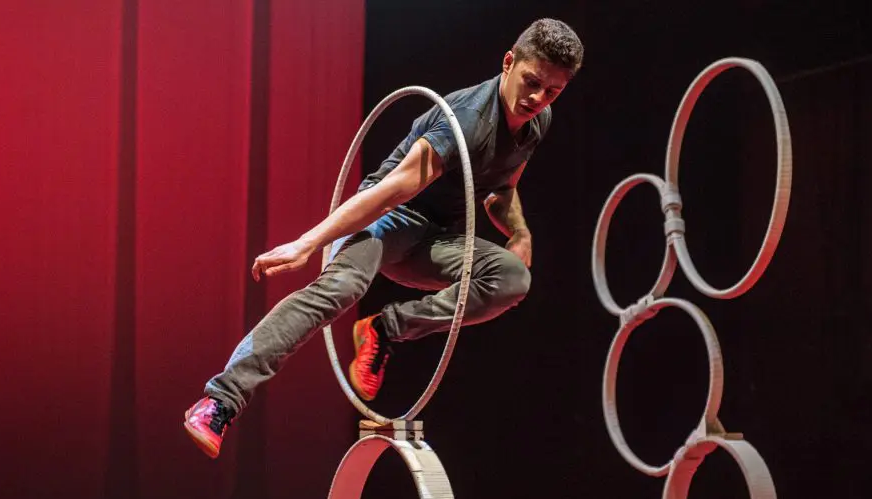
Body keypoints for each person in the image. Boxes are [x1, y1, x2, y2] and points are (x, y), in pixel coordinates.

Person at [184, 18, 584, 458]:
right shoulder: (467, 119)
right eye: (532, 82)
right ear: (509, 63)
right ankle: (220, 400)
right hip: (386, 219)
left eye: (552, 91)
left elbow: (500, 191)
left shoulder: (538, 121)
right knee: (339, 289)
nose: (537, 98)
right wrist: (308, 242)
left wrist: (521, 234)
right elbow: (390, 192)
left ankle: (385, 330)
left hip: (437, 239)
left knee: (511, 279)